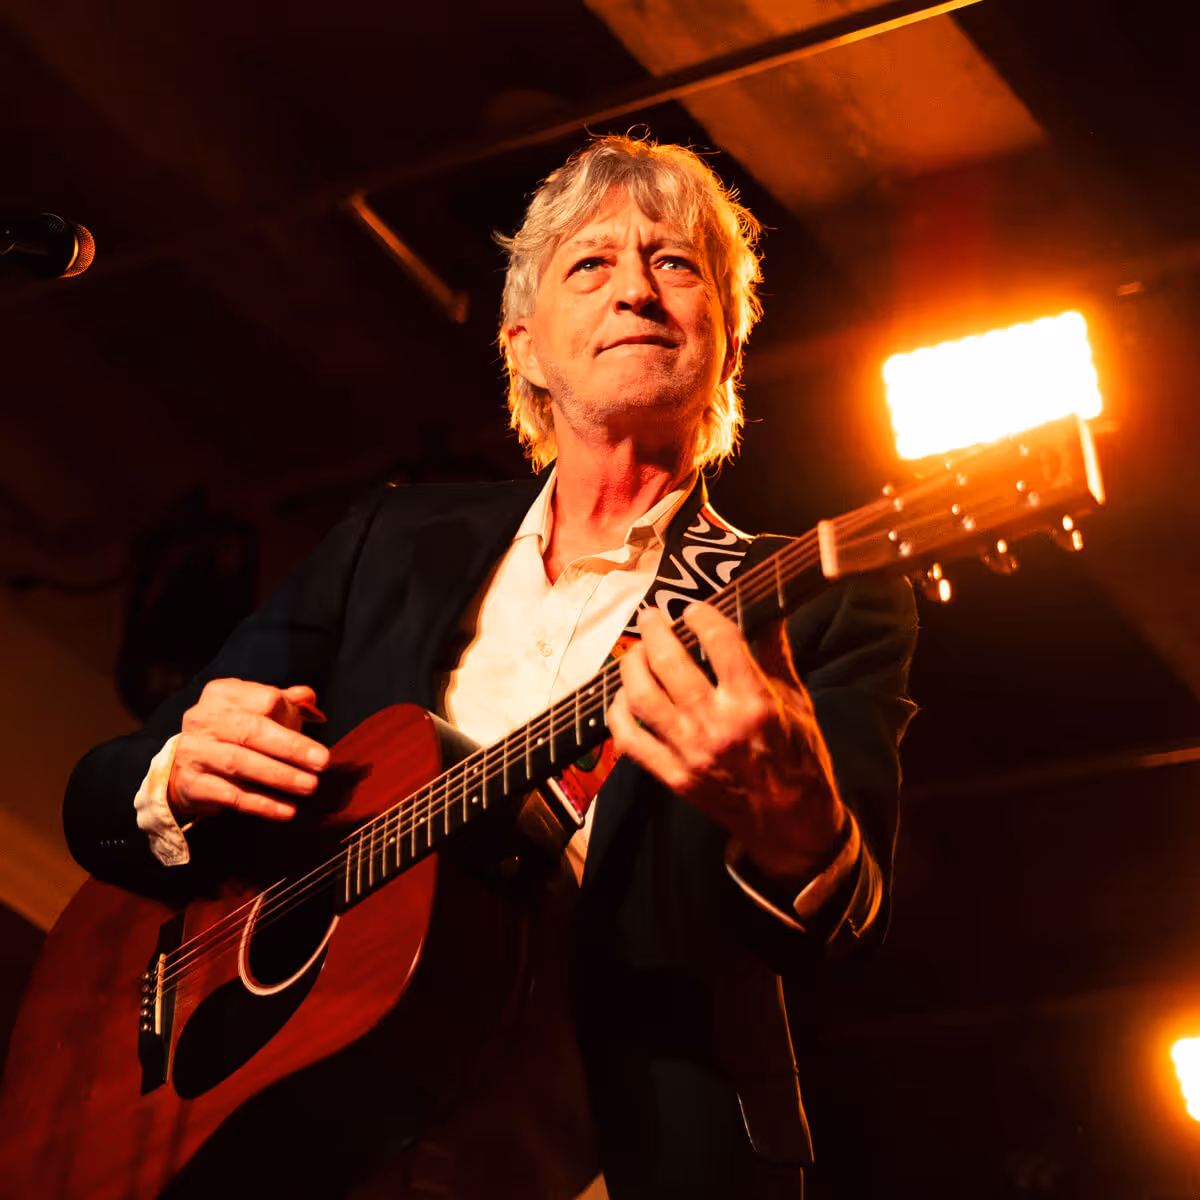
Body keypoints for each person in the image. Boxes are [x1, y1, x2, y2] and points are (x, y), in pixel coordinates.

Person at [63, 135, 917, 1199]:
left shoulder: (816, 600)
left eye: (678, 264)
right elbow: (112, 787)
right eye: (592, 264)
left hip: (601, 1156)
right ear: (524, 347)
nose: (638, 292)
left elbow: (852, 920)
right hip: (301, 1130)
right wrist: (176, 779)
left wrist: (796, 823)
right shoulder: (389, 540)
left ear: (731, 345)